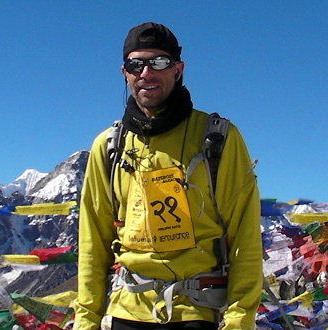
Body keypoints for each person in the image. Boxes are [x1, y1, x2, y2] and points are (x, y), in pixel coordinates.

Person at [75, 22, 262, 329]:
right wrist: (86, 321)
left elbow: (245, 236)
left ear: (178, 70)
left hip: (196, 310)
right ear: (124, 72)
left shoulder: (217, 139)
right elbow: (93, 240)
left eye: (159, 62)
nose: (146, 73)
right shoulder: (109, 146)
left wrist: (240, 320)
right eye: (136, 65)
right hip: (128, 310)